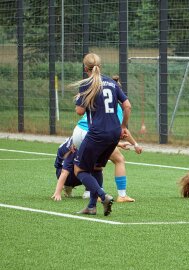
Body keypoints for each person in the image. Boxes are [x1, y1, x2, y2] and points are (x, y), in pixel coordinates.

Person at [72, 53, 131, 216]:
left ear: (85, 68)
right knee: (96, 168)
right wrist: (124, 127)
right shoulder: (112, 83)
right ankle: (91, 206)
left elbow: (79, 111)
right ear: (100, 66)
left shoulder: (86, 84)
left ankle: (103, 195)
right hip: (114, 133)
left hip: (97, 132)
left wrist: (79, 99)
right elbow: (127, 106)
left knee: (79, 170)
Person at [73, 75, 142, 203]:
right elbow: (121, 129)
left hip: (78, 132)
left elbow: (82, 112)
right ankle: (118, 195)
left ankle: (91, 197)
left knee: (92, 166)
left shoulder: (95, 96)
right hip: (93, 134)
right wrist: (135, 144)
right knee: (119, 160)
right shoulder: (114, 107)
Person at [51, 137, 82, 201]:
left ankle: (68, 186)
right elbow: (64, 171)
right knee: (88, 168)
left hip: (62, 169)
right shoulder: (74, 148)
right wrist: (57, 192)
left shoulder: (78, 139)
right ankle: (68, 185)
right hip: (63, 171)